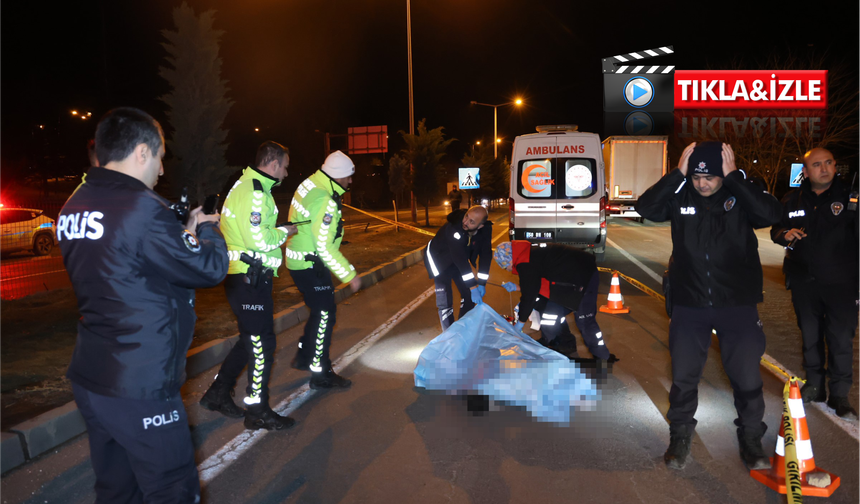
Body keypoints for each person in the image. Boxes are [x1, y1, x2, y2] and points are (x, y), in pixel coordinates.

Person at [59, 107, 228, 502]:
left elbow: (125, 267)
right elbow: (210, 269)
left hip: (93, 376)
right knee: (173, 490)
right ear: (140, 152)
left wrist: (181, 235)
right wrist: (209, 229)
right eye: (160, 157)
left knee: (117, 490)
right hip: (141, 382)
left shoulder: (75, 204)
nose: (162, 170)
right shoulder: (142, 208)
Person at [636, 141, 782, 471]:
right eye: (698, 177)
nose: (703, 184)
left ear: (723, 174)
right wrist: (677, 174)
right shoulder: (681, 194)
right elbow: (646, 207)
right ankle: (680, 435)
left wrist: (734, 179)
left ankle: (750, 438)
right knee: (685, 377)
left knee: (746, 376)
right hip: (690, 302)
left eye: (711, 177)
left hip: (737, 303)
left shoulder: (740, 195)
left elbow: (771, 214)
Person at [199, 141, 298, 430]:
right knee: (262, 344)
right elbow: (259, 240)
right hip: (248, 278)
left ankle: (217, 393)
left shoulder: (248, 185)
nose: (287, 172)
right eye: (286, 165)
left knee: (249, 340)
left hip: (244, 276)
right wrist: (284, 231)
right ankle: (257, 410)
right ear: (274, 163)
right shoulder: (255, 192)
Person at [770, 147, 859, 420]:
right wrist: (785, 233)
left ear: (835, 166)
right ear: (805, 172)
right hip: (804, 282)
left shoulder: (851, 198)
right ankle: (815, 387)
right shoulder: (791, 199)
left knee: (841, 339)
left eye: (829, 163)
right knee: (810, 337)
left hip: (842, 284)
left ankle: (840, 394)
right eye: (817, 165)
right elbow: (776, 230)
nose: (824, 168)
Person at [285, 150, 362, 389]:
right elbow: (325, 247)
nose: (350, 181)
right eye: (348, 177)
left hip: (299, 261)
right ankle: (320, 374)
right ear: (337, 176)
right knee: (325, 316)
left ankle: (305, 355)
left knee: (320, 312)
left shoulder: (310, 184)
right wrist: (350, 275)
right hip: (312, 264)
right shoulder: (324, 200)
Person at [493, 240, 614, 367]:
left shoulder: (525, 261)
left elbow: (529, 296)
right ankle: (560, 343)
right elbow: (534, 285)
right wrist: (518, 287)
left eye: (505, 266)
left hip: (584, 275)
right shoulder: (528, 253)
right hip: (568, 277)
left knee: (584, 321)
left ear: (509, 259)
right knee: (549, 311)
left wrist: (520, 324)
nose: (508, 270)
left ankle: (602, 357)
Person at [424, 205, 493, 330]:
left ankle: (461, 329)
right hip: (439, 258)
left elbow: (486, 254)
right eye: (467, 216)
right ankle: (449, 334)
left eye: (472, 222)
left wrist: (482, 283)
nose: (465, 222)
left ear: (480, 225)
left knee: (468, 296)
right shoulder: (454, 227)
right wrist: (473, 286)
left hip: (457, 258)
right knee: (445, 300)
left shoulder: (485, 229)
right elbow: (460, 259)